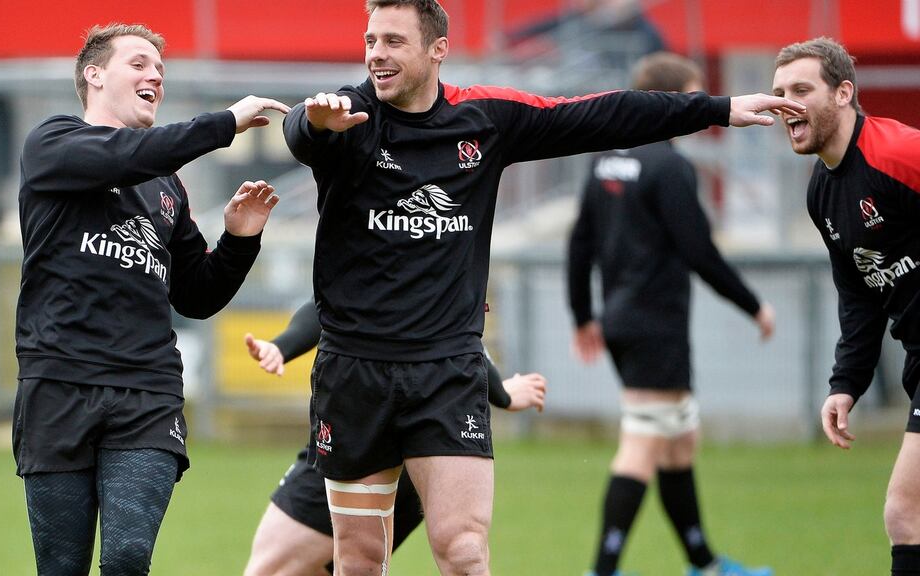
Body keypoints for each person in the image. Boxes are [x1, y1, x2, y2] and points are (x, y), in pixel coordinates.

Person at [283, 1, 803, 573]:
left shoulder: (485, 117)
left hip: (447, 371)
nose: (376, 53)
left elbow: (602, 114)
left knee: (463, 549)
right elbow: (301, 132)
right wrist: (312, 123)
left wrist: (719, 108)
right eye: (370, 39)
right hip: (354, 371)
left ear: (437, 50)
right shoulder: (347, 115)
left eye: (393, 41)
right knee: (358, 559)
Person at [13, 23, 289, 575]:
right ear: (94, 75)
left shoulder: (166, 186)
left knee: (127, 556)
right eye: (138, 63)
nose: (155, 75)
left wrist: (240, 238)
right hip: (58, 385)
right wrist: (224, 124)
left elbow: (197, 296)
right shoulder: (53, 144)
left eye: (159, 69)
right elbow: (120, 158)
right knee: (61, 566)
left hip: (147, 392)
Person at [568, 51, 775, 576]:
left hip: (622, 320)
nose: (706, 107)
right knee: (640, 447)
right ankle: (602, 568)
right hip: (654, 325)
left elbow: (580, 241)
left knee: (680, 442)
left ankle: (703, 564)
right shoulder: (670, 167)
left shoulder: (603, 160)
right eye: (696, 96)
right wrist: (755, 306)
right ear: (674, 101)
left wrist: (582, 314)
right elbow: (700, 252)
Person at [241, 300, 548, 576]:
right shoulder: (367, 251)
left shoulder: (453, 249)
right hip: (355, 419)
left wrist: (500, 392)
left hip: (429, 427)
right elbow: (328, 302)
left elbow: (458, 328)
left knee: (462, 554)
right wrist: (282, 346)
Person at [772, 37, 920, 576]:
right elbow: (858, 293)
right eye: (779, 92)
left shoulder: (898, 153)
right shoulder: (822, 193)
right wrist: (846, 382)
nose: (787, 102)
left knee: (907, 514)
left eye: (802, 90)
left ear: (843, 94)